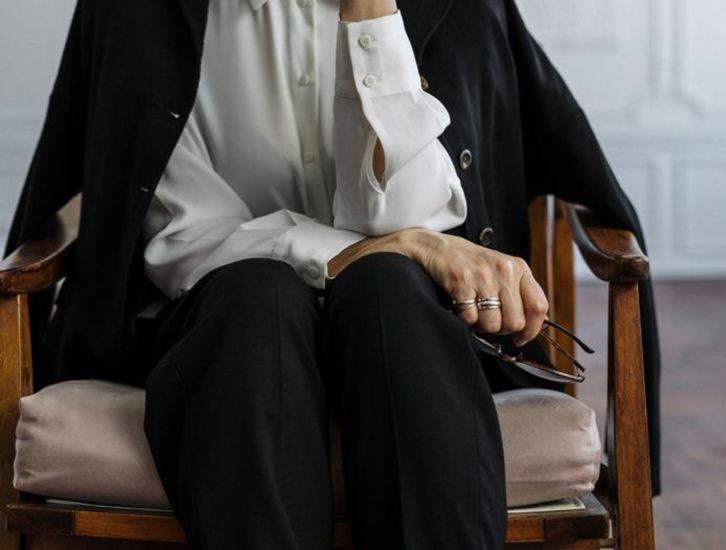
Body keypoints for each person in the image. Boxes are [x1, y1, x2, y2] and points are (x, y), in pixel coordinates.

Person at [4, 0, 662, 547]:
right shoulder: (136, 13)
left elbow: (412, 215)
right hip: (219, 325)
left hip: (413, 326)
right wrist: (405, 246)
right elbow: (184, 237)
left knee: (388, 289)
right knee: (257, 291)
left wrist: (371, 18)